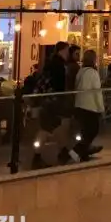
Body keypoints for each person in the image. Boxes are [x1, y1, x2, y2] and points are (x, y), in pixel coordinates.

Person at [32, 41, 70, 169]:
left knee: (53, 127)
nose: (68, 53)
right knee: (47, 129)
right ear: (62, 50)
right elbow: (59, 85)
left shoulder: (51, 62)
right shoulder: (58, 65)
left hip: (48, 100)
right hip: (51, 101)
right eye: (67, 50)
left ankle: (63, 151)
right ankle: (37, 157)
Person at [69, 49, 104, 162]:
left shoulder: (81, 71)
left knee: (85, 131)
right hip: (90, 106)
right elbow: (97, 92)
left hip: (80, 105)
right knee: (93, 130)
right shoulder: (93, 73)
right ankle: (75, 152)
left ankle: (83, 153)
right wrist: (101, 108)